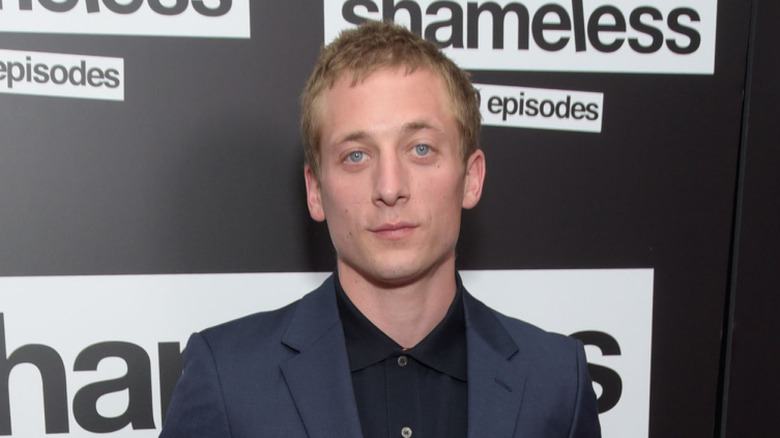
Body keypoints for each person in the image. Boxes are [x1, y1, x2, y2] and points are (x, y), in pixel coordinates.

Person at [160, 20, 601, 438]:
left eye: (421, 149)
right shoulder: (228, 379)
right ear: (315, 190)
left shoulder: (556, 380)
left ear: (471, 178)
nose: (390, 188)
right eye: (356, 155)